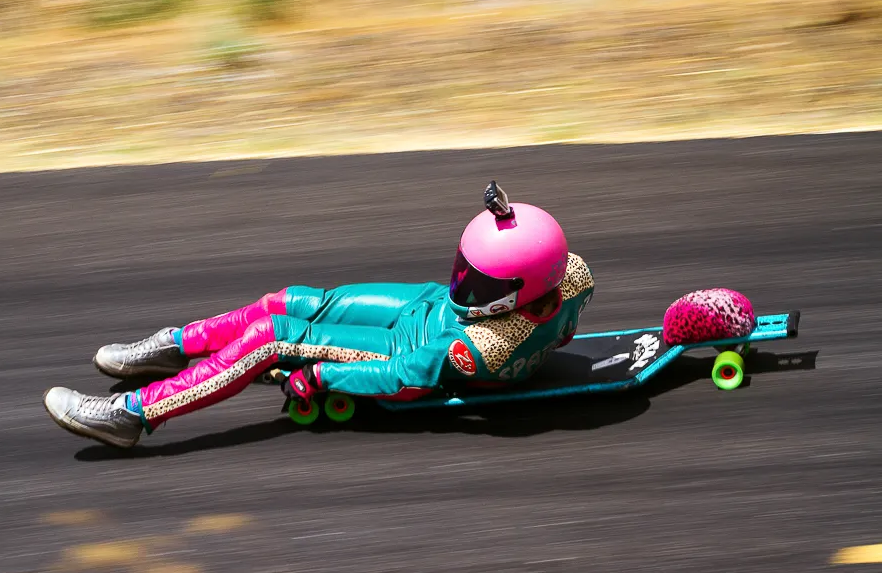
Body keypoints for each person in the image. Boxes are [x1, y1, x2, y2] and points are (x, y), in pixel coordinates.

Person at [43, 182, 594, 448]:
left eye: (479, 282)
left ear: (518, 294)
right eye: (465, 270)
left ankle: (132, 415)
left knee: (271, 340)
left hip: (409, 350)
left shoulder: (482, 350)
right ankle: (176, 346)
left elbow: (402, 380)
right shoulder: (570, 277)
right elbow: (559, 322)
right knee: (291, 300)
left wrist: (322, 375)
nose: (464, 282)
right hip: (425, 308)